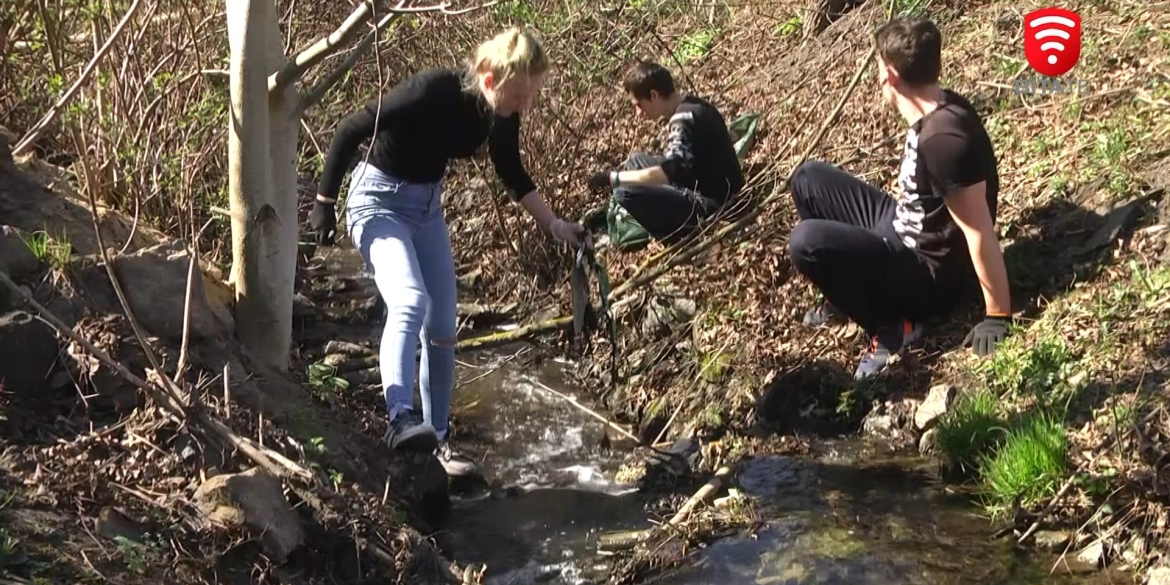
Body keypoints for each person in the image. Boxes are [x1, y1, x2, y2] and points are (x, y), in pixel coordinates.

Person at [308, 27, 585, 478]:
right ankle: (399, 418)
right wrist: (324, 203)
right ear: (489, 79)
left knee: (442, 329)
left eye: (530, 97)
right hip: (376, 200)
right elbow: (352, 127)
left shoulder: (502, 113)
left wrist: (554, 224)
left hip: (426, 209)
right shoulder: (432, 90)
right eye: (518, 96)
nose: (524, 106)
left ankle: (437, 443)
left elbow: (512, 171)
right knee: (409, 300)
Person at [786, 16, 1012, 380]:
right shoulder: (938, 106)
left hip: (925, 274)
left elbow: (979, 230)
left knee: (805, 243)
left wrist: (997, 315)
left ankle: (893, 327)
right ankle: (843, 296)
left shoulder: (943, 141)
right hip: (903, 226)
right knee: (807, 178)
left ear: (889, 74)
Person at [584, 60, 744, 244]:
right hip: (700, 180)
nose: (638, 112)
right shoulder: (692, 104)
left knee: (624, 193)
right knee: (636, 160)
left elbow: (667, 174)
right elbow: (680, 166)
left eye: (639, 104)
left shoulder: (682, 121)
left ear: (654, 95)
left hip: (714, 203)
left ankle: (673, 234)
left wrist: (613, 179)